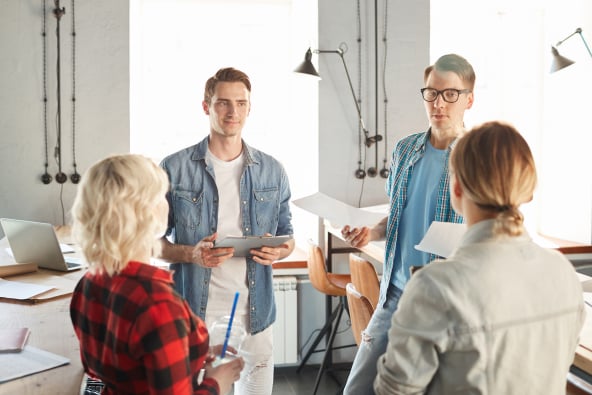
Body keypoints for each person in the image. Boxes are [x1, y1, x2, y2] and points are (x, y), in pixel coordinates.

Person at [374, 121, 585, 393]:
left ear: (457, 188)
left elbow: (394, 391)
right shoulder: (563, 272)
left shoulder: (435, 286)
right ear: (528, 189)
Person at [341, 54, 474, 394]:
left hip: (444, 304)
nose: (438, 103)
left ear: (468, 99)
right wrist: (371, 232)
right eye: (431, 93)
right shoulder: (405, 149)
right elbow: (399, 213)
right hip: (395, 294)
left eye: (450, 94)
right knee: (357, 388)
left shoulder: (476, 156)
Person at [158, 67, 295, 395]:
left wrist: (280, 250)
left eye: (240, 103)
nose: (232, 111)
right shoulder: (173, 168)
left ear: (250, 107)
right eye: (222, 103)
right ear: (206, 106)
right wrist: (191, 253)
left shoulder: (273, 170)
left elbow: (287, 236)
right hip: (195, 313)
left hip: (256, 313)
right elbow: (151, 244)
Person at [69, 154, 244, 395]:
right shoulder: (158, 304)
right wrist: (217, 383)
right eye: (161, 196)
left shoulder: (88, 283)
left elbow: (97, 372)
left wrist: (193, 354)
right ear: (146, 213)